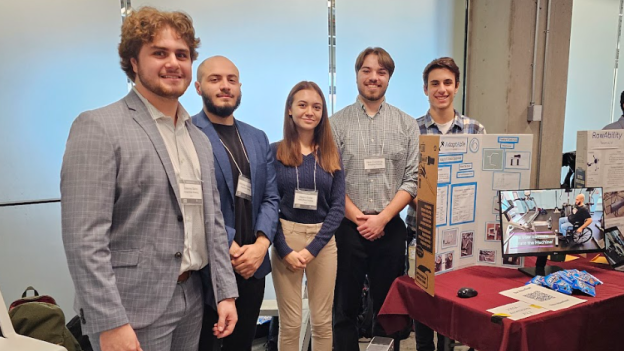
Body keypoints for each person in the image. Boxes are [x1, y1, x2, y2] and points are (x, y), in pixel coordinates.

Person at [61, 7, 237, 351]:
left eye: (181, 54)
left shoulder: (198, 138)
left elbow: (213, 224)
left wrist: (225, 293)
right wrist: (110, 321)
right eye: (160, 52)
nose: (173, 63)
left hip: (190, 299)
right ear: (134, 62)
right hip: (130, 308)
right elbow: (83, 240)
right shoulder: (98, 127)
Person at [330, 47, 419, 351]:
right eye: (366, 70)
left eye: (381, 72)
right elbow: (331, 180)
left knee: (389, 309)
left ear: (389, 78)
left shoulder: (407, 125)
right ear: (357, 75)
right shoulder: (335, 124)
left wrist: (382, 219)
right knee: (344, 307)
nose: (373, 77)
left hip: (390, 226)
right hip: (347, 227)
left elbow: (411, 179)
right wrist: (359, 219)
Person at [192, 56, 280, 351]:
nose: (225, 86)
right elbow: (194, 203)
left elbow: (270, 197)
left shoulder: (257, 138)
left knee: (241, 345)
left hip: (252, 266)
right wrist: (228, 246)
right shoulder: (187, 135)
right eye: (215, 79)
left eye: (231, 79)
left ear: (240, 86)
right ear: (198, 87)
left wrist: (260, 245)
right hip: (209, 268)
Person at [405, 57, 485, 351]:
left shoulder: (475, 130)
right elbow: (406, 182)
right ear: (425, 89)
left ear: (457, 87)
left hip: (461, 237)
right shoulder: (411, 130)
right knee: (424, 309)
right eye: (435, 84)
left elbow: (483, 182)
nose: (442, 89)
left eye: (447, 83)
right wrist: (431, 205)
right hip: (421, 234)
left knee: (453, 306)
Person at [270, 81, 345, 351]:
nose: (309, 112)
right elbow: (269, 205)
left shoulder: (331, 154)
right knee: (290, 323)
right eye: (302, 105)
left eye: (316, 106)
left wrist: (313, 248)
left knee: (322, 321)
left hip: (323, 242)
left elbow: (337, 208)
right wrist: (283, 248)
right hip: (285, 239)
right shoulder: (274, 152)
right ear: (290, 109)